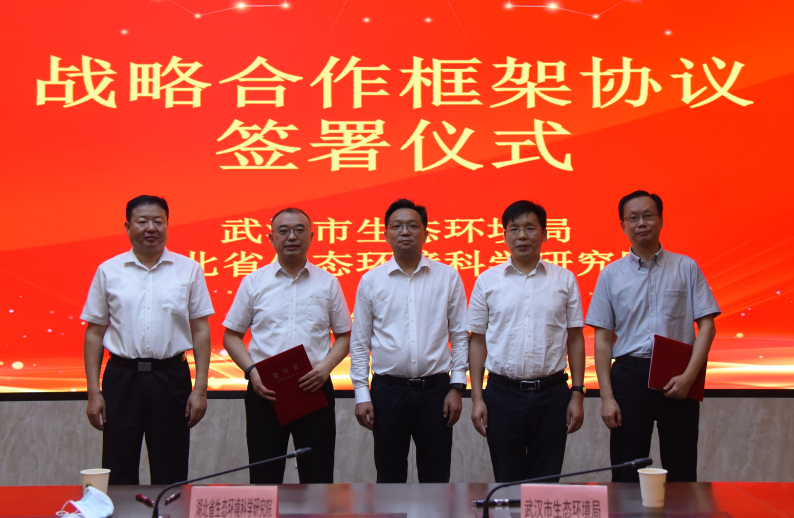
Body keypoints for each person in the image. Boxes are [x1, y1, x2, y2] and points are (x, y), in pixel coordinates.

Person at [586, 190, 720, 483]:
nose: (641, 223)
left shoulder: (686, 267)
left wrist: (689, 377)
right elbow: (602, 339)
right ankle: (627, 517)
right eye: (633, 218)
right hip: (629, 376)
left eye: (648, 216)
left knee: (682, 468)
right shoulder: (610, 274)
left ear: (661, 220)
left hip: (678, 376)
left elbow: (707, 326)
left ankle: (682, 515)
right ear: (623, 225)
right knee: (626, 471)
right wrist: (606, 398)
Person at [81, 195, 214, 486]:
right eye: (142, 221)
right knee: (118, 466)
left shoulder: (188, 269)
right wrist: (93, 392)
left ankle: (169, 516)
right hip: (122, 378)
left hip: (171, 377)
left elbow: (201, 330)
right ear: (127, 227)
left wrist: (201, 388)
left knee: (171, 468)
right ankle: (119, 517)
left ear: (168, 225)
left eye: (158, 221)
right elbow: (94, 332)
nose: (151, 228)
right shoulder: (108, 270)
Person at [221, 208, 352, 484]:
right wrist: (252, 372)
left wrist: (325, 368)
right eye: (283, 231)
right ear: (271, 238)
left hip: (314, 388)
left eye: (299, 230)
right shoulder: (253, 282)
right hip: (265, 391)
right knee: (264, 478)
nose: (292, 236)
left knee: (317, 477)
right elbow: (231, 336)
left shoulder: (328, 282)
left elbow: (344, 336)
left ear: (312, 236)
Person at [351, 199, 469, 483]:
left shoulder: (447, 276)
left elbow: (460, 335)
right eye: (397, 226)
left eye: (413, 226)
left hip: (436, 392)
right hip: (387, 393)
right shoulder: (371, 280)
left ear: (425, 233)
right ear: (385, 234)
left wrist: (457, 387)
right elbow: (360, 342)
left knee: (436, 477)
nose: (405, 231)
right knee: (389, 477)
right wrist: (362, 395)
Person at [467, 200, 586, 482]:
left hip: (552, 394)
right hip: (502, 395)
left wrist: (578, 394)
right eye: (514, 229)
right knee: (507, 481)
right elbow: (477, 341)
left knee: (546, 484)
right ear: (504, 235)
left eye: (530, 228)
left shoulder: (565, 279)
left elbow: (575, 338)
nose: (522, 236)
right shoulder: (487, 281)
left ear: (544, 234)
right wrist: (477, 398)